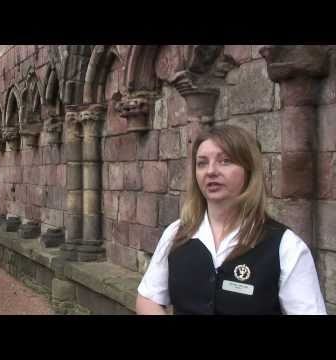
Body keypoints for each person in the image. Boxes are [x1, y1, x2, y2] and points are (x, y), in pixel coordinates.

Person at [136, 125, 327, 315]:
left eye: (225, 161)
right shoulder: (177, 234)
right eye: (202, 163)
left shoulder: (285, 246)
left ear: (249, 169)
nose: (211, 171)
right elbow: (148, 298)